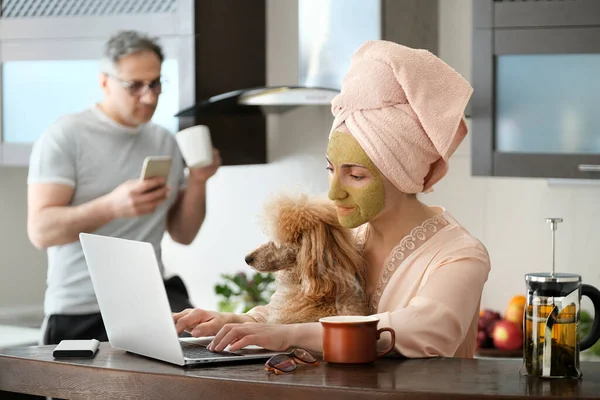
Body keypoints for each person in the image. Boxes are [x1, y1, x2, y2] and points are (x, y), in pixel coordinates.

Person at [172, 40, 491, 358]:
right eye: (331, 169)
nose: (334, 192)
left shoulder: (458, 254)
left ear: (403, 174)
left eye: (356, 175)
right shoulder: (345, 237)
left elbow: (426, 332)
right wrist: (234, 321)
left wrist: (287, 337)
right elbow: (299, 310)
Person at [27, 30, 221, 345]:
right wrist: (112, 207)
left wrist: (198, 182)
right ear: (105, 82)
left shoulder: (164, 140)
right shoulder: (65, 136)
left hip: (148, 304)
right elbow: (41, 231)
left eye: (155, 83)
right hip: (80, 313)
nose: (149, 96)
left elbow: (183, 234)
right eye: (135, 86)